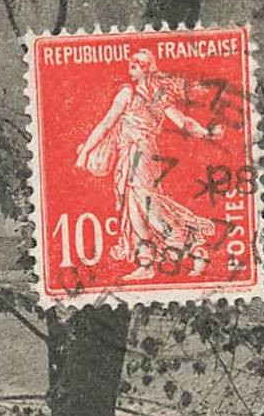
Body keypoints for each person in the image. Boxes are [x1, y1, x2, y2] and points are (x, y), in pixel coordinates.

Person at [75, 48, 223, 280]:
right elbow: (183, 122)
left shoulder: (129, 93)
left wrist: (85, 152)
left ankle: (184, 239)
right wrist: (206, 133)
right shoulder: (158, 95)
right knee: (136, 212)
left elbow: (106, 124)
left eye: (135, 64)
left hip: (138, 155)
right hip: (140, 155)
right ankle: (158, 262)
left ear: (144, 69)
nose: (130, 67)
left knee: (146, 207)